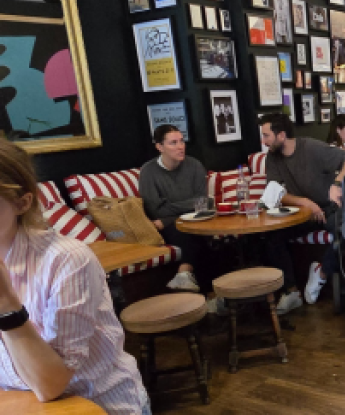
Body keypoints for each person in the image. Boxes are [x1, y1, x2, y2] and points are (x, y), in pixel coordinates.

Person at [0, 139, 150, 414]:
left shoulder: (67, 260)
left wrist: (7, 306)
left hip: (99, 405)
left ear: (22, 203)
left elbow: (51, 385)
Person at [259, 113, 345, 313]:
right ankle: (291, 292)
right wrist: (305, 202)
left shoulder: (311, 148)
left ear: (281, 136)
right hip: (303, 213)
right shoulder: (273, 157)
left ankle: (321, 272)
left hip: (330, 207)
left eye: (266, 135)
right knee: (270, 236)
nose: (263, 141)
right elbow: (276, 191)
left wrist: (337, 182)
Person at [139, 125, 210, 293]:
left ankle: (186, 278)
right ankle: (208, 295)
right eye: (173, 143)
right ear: (159, 147)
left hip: (181, 221)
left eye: (181, 141)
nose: (180, 146)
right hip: (168, 227)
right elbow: (155, 209)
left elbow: (203, 203)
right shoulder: (148, 171)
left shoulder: (194, 165)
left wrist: (167, 216)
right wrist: (185, 208)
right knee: (192, 236)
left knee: (205, 236)